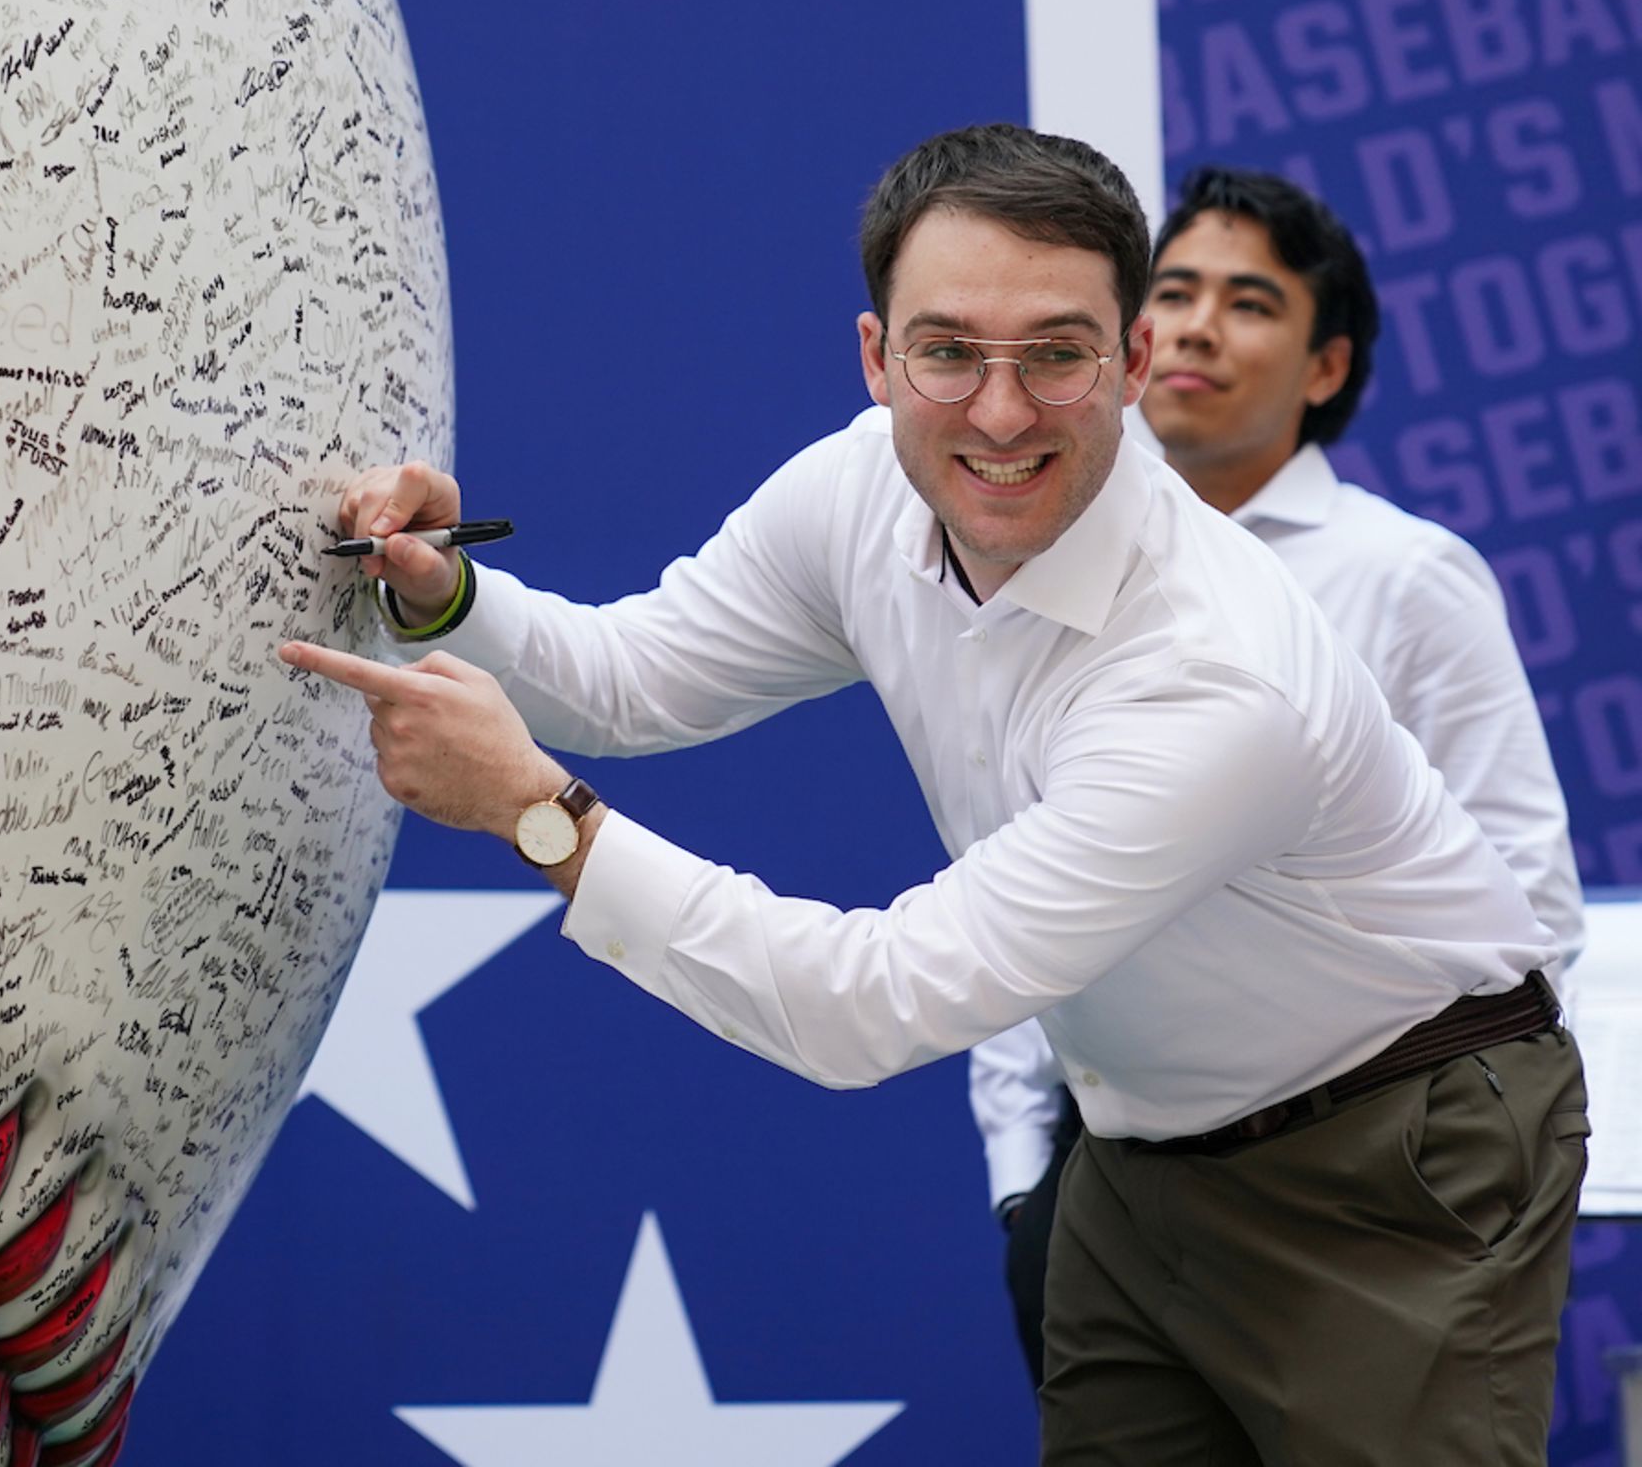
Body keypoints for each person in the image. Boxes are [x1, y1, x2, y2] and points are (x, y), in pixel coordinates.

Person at [279, 124, 1587, 1466]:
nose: (1002, 411)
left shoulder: (1215, 676)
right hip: (1139, 1149)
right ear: (875, 355)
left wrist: (534, 813)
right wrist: (451, 594)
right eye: (950, 350)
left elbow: (866, 1007)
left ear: (1131, 363)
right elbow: (634, 677)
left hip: (1400, 1152)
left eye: (1058, 353)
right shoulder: (860, 486)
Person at [971, 165, 1588, 1393]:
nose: (1199, 324)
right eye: (1178, 293)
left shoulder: (1408, 575)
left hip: (1357, 1183)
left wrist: (1426, 1170)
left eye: (1251, 301)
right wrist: (1019, 1174)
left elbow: (1528, 906)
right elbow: (1012, 879)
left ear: (1326, 367)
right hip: (1099, 1172)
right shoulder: (1045, 559)